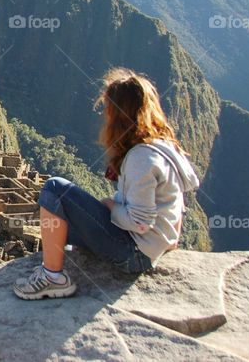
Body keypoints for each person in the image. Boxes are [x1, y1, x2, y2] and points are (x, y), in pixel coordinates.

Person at [13, 68, 200, 300]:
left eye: (109, 109)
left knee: (54, 190)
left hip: (133, 253)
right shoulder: (165, 147)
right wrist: (169, 239)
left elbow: (140, 223)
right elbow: (177, 201)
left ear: (120, 115)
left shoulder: (142, 159)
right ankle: (56, 264)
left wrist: (110, 206)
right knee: (59, 224)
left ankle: (53, 277)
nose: (105, 115)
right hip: (148, 246)